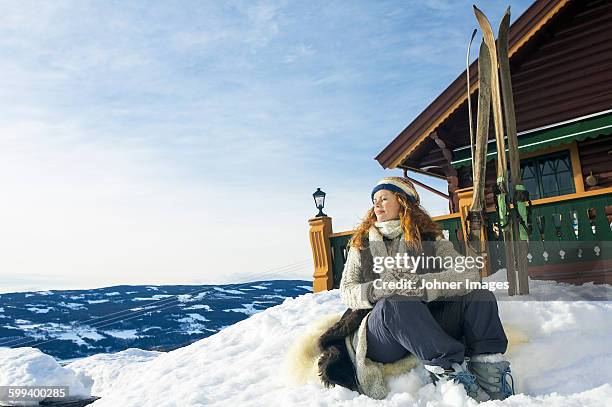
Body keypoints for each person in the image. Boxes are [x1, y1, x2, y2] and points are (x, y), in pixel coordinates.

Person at [338, 176, 514, 402]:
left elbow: (468, 274)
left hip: (424, 320)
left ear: (403, 202)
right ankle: (451, 376)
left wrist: (422, 286)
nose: (377, 205)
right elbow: (346, 290)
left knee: (481, 297)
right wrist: (379, 289)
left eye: (384, 198)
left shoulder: (431, 238)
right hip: (383, 331)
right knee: (395, 302)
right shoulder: (360, 242)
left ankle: (490, 373)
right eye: (375, 200)